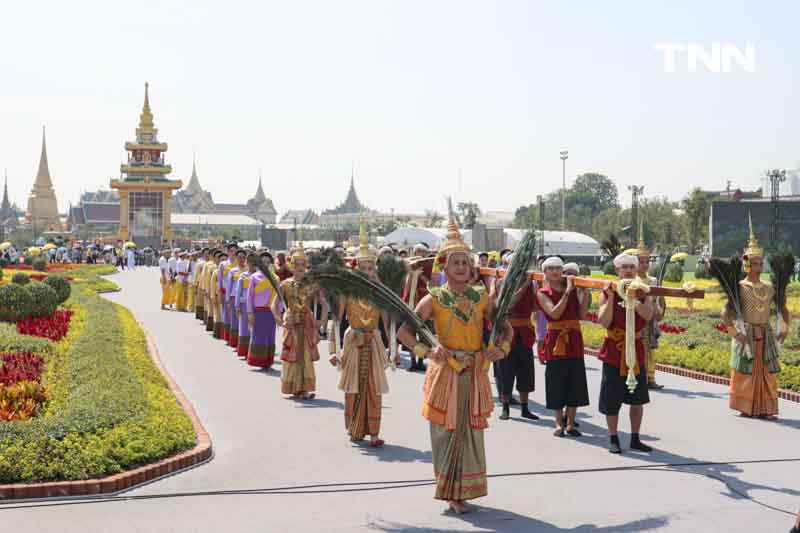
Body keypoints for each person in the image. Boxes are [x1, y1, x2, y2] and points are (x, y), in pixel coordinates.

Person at [397, 217, 511, 514]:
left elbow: (505, 327)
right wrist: (425, 350)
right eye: (455, 262)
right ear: (443, 267)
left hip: (473, 372)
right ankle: (449, 491)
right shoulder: (434, 299)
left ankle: (465, 489)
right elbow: (403, 332)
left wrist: (501, 348)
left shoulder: (482, 297)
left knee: (470, 432)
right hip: (445, 372)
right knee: (446, 432)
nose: (462, 267)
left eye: (465, 262)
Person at [331, 223, 396, 447]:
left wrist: (393, 350)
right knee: (353, 387)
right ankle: (354, 428)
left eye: (371, 268)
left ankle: (375, 433)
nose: (368, 272)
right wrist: (334, 351)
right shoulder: (346, 290)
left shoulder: (380, 292)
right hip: (353, 341)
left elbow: (388, 323)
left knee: (374, 388)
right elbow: (337, 320)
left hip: (374, 342)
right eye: (364, 268)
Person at [723, 221, 790, 419]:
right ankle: (747, 407)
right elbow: (725, 314)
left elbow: (784, 310)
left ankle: (766, 408)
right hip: (747, 335)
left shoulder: (770, 287)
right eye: (755, 263)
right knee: (746, 372)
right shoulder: (739, 287)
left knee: (768, 373)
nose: (759, 267)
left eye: (761, 263)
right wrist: (735, 334)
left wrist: (784, 327)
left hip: (766, 334)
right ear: (747, 264)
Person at [597, 253, 654, 454]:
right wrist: (612, 298)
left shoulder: (644, 291)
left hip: (635, 350)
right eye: (624, 267)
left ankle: (635, 438)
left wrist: (635, 300)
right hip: (614, 349)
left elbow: (648, 316)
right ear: (618, 270)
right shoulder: (608, 291)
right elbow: (603, 321)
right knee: (611, 398)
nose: (628, 270)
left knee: (637, 399)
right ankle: (613, 437)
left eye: (632, 266)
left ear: (636, 269)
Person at [537, 256, 590, 437]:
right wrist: (568, 292)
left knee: (575, 380)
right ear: (545, 272)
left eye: (558, 268)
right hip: (555, 340)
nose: (555, 271)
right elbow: (555, 313)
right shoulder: (543, 292)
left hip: (574, 338)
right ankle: (558, 423)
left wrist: (585, 292)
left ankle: (570, 423)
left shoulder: (574, 290)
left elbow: (582, 314)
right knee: (556, 381)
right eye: (550, 268)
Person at [272, 243, 322, 399]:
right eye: (297, 264)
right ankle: (293, 386)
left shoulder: (312, 284)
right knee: (293, 355)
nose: (300, 267)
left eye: (303, 264)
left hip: (306, 323)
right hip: (292, 323)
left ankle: (304, 388)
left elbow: (324, 304)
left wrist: (322, 321)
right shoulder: (285, 284)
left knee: (305, 355)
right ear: (292, 265)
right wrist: (281, 321)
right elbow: (274, 305)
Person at [494, 258, 539, 422]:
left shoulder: (531, 284)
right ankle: (505, 407)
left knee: (525, 371)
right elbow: (509, 303)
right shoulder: (502, 283)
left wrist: (534, 291)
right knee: (506, 371)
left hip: (525, 334)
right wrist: (526, 285)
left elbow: (534, 307)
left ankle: (525, 408)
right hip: (507, 333)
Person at [633, 236, 666, 390]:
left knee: (651, 350)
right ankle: (640, 377)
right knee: (639, 349)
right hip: (637, 320)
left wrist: (660, 309)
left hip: (651, 319)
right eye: (641, 262)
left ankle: (651, 378)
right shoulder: (632, 281)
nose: (645, 265)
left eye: (647, 262)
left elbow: (659, 300)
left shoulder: (653, 280)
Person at [403, 242, 433, 372]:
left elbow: (431, 284)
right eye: (419, 251)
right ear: (415, 253)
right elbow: (407, 287)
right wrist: (411, 273)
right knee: (410, 333)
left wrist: (420, 274)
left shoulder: (429, 268)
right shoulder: (410, 267)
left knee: (424, 335)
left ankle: (421, 360)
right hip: (412, 304)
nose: (421, 253)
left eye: (423, 251)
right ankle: (413, 361)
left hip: (425, 305)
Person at [246, 253, 279, 367]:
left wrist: (279, 313)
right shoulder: (254, 277)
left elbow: (279, 297)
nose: (265, 264)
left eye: (267, 262)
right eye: (263, 262)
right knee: (258, 335)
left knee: (270, 336)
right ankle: (257, 360)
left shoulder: (275, 278)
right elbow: (249, 297)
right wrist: (250, 312)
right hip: (258, 312)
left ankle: (268, 361)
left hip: (271, 312)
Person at [234, 254, 256, 358]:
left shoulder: (260, 276)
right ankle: (244, 351)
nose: (252, 265)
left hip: (256, 306)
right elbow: (238, 292)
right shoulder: (243, 276)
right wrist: (237, 306)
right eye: (250, 262)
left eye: (254, 263)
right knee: (244, 328)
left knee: (254, 328)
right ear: (247, 263)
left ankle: (253, 352)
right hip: (244, 305)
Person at [225, 250, 247, 349]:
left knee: (243, 322)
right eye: (239, 257)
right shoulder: (233, 271)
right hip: (234, 298)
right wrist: (228, 300)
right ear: (236, 258)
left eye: (243, 257)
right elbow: (229, 287)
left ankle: (243, 343)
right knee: (234, 320)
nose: (241, 259)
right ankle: (234, 342)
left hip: (245, 300)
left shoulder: (248, 271)